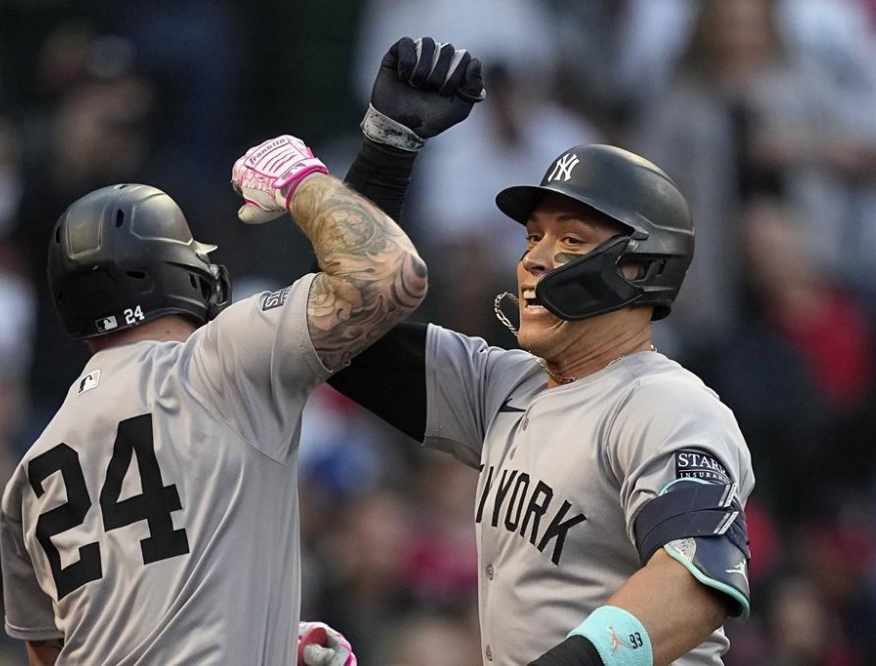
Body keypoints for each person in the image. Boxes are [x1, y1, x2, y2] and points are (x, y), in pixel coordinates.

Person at [320, 36, 756, 665]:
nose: (534, 259)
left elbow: (695, 581)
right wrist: (387, 151)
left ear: (641, 268)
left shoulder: (669, 406)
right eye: (532, 237)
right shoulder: (506, 385)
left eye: (571, 240)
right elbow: (344, 335)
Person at [0, 127, 433, 660]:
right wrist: (302, 183)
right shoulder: (219, 361)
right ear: (179, 272)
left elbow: (53, 652)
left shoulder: (29, 473)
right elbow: (390, 274)